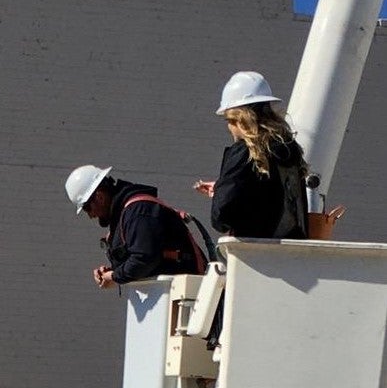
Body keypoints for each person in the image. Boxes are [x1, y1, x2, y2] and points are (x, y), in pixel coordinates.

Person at [193, 71, 309, 239]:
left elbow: (222, 216)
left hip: (253, 255)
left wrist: (222, 191)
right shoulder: (290, 149)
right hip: (291, 253)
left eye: (228, 121)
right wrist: (222, 187)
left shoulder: (244, 151)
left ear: (237, 118)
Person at [65, 164, 206, 290]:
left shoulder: (138, 212)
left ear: (100, 197)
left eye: (87, 208)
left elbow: (144, 258)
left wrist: (114, 276)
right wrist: (112, 271)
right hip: (169, 294)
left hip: (188, 295)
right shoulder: (127, 214)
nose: (91, 215)